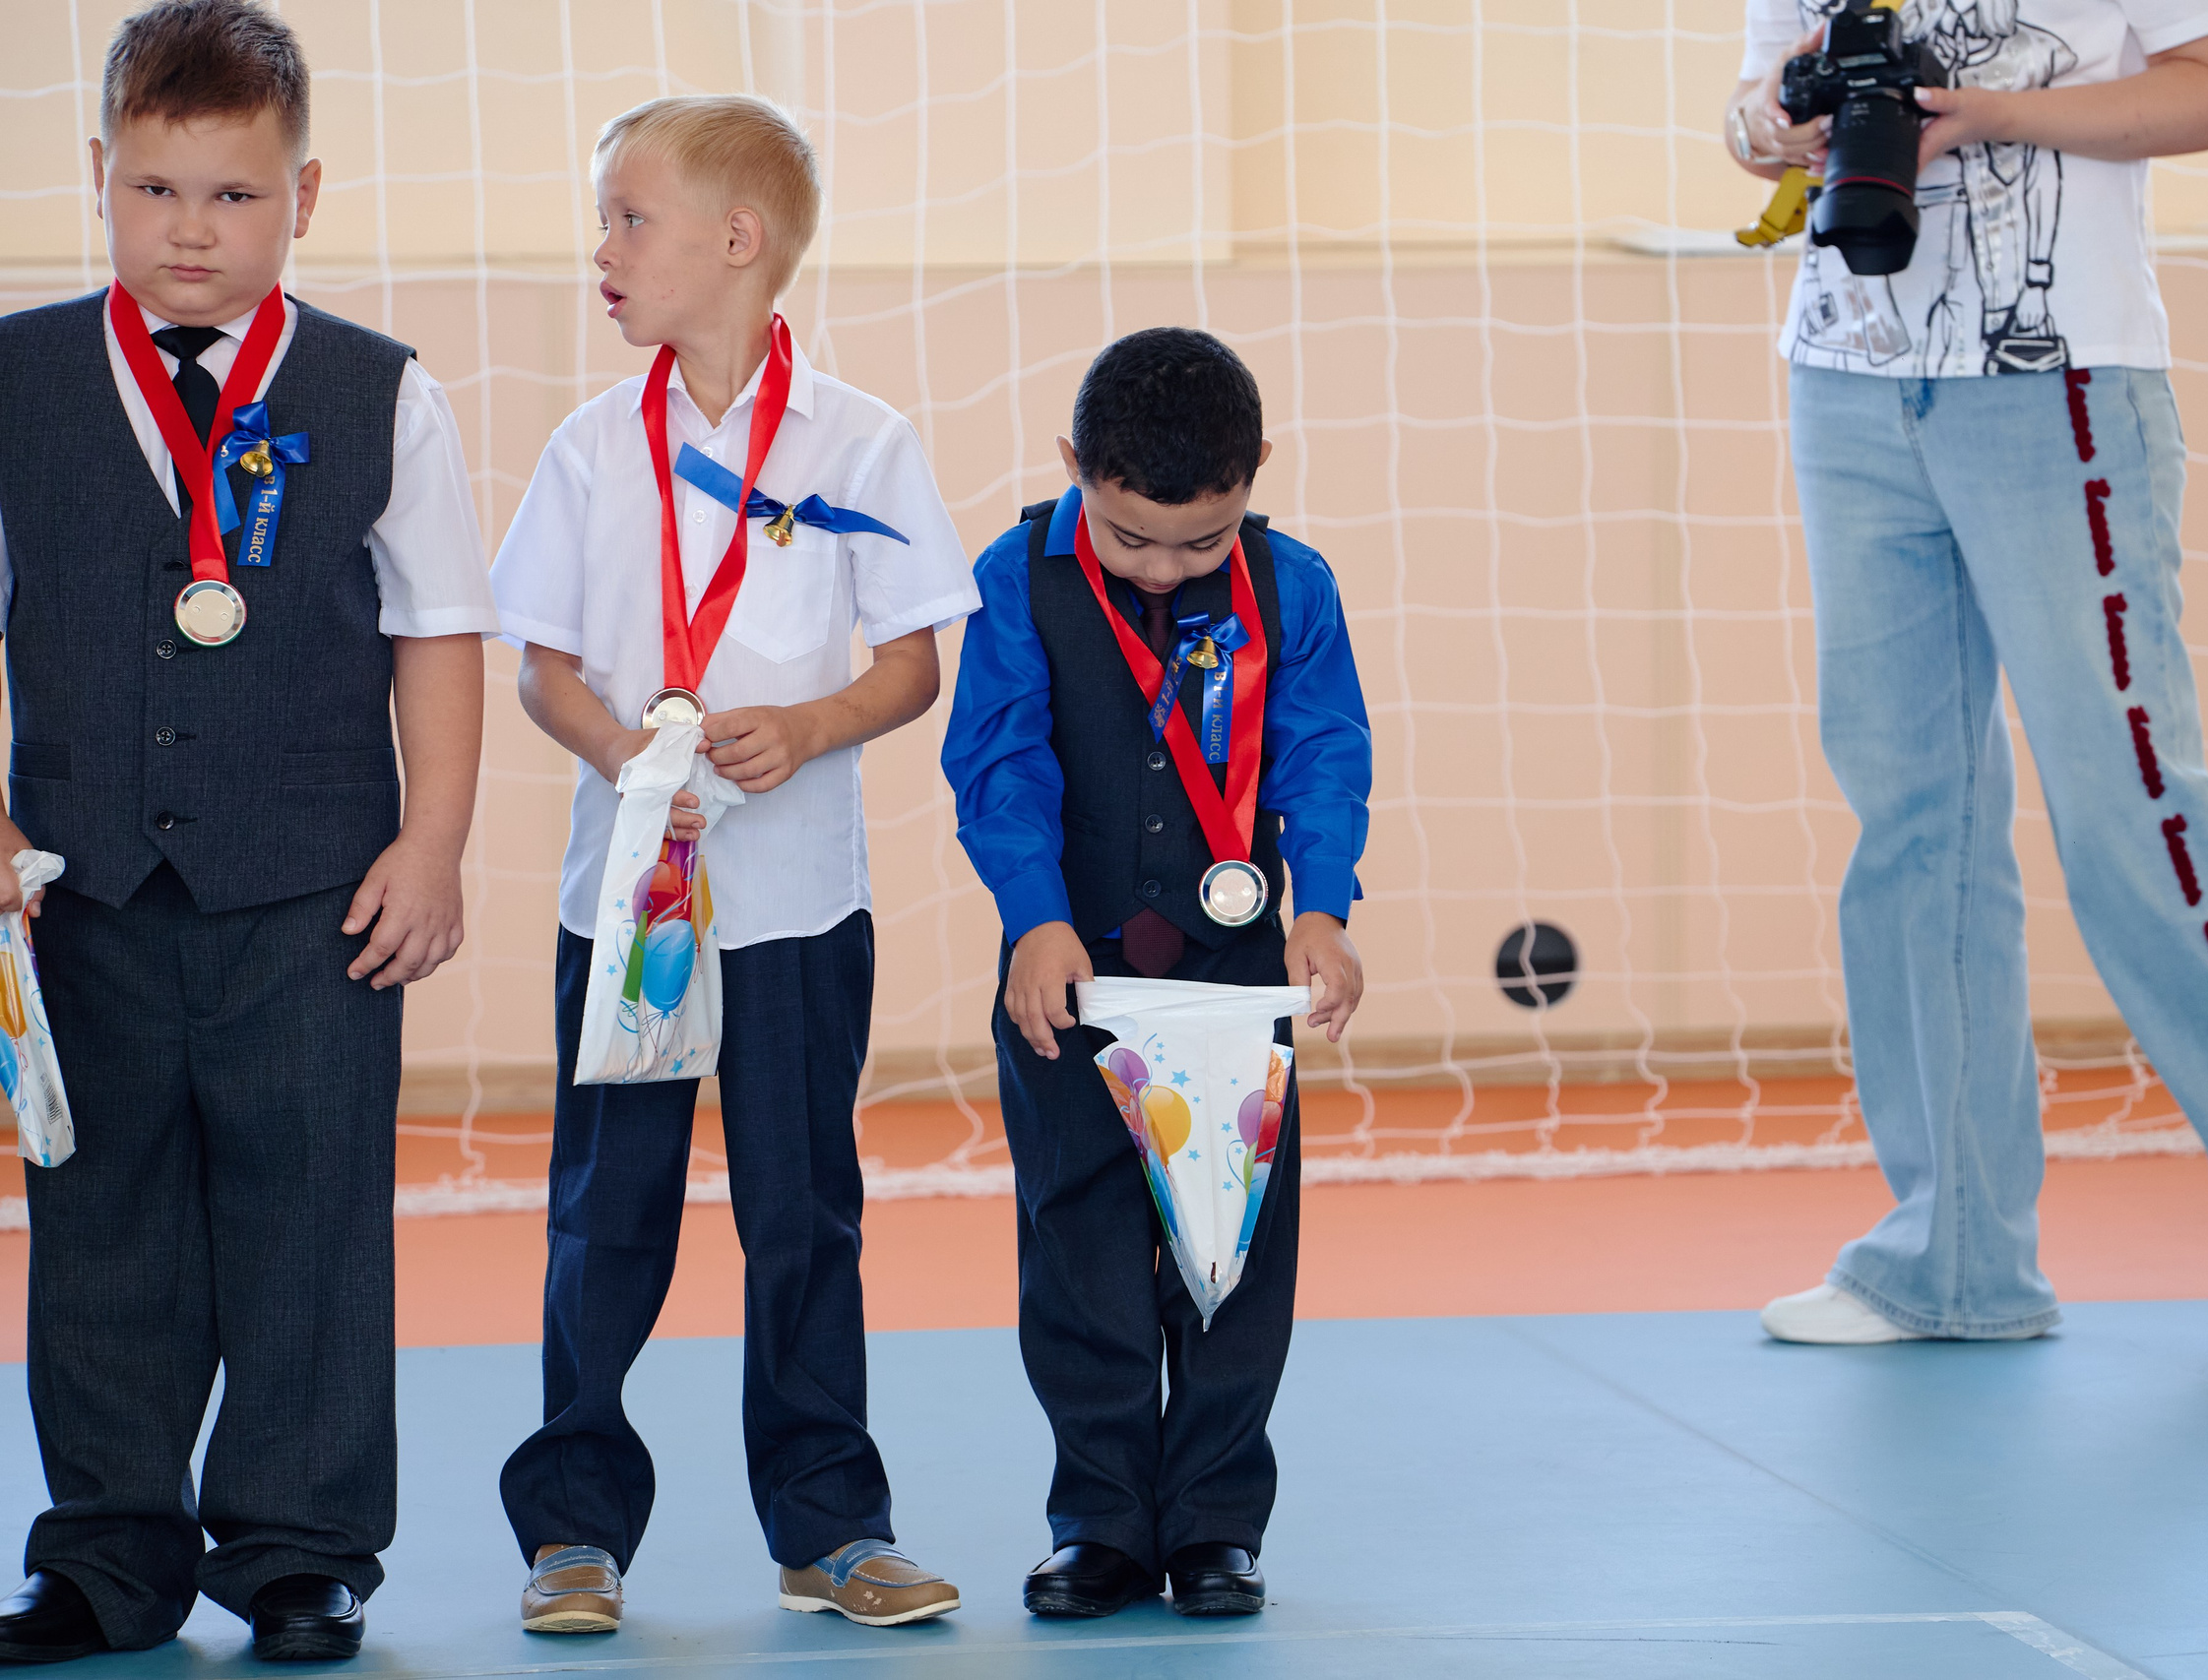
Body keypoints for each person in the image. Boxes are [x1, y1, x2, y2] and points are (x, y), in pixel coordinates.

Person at [1723, 0, 2208, 1343]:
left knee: (2129, 802)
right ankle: (1953, 1262)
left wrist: (1988, 114)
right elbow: (1752, 114)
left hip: (2061, 385)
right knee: (1912, 823)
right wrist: (1772, 121)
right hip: (1850, 381)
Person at [0, 0, 498, 1662]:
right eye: (155, 192)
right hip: (84, 888)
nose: (191, 231)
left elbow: (436, 631)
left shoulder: (379, 394)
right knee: (100, 1220)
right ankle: (107, 1557)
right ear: (96, 177)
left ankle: (300, 1547)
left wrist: (431, 848)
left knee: (313, 1215)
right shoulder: (15, 377)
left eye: (232, 197)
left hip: (316, 888)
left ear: (305, 194)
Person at [486, 93, 979, 1636]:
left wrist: (814, 722)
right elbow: (542, 669)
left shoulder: (863, 440)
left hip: (796, 911)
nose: (605, 252)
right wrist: (627, 751)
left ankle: (831, 1527)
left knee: (802, 1212)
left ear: (736, 240)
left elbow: (914, 661)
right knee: (605, 1215)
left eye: (630, 220)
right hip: (626, 908)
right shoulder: (588, 449)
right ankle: (574, 1531)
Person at [941, 328, 1370, 1618]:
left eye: (1203, 539)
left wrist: (1326, 908)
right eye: (1133, 540)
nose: (1170, 567)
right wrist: (1032, 918)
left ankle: (1216, 1527)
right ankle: (1104, 1522)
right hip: (1065, 968)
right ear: (1075, 469)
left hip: (1239, 974)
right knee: (1079, 1244)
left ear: (1256, 474)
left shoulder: (1294, 586)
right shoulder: (1014, 577)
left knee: (1228, 1252)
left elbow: (1322, 752)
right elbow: (1001, 758)